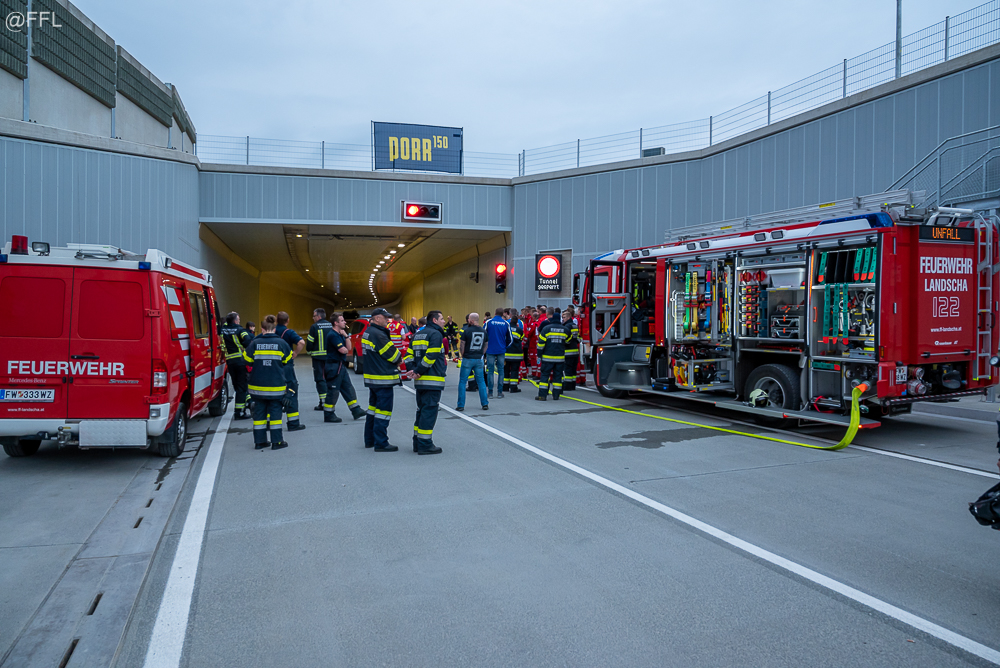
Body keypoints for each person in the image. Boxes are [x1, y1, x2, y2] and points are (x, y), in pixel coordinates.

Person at [243, 314, 293, 450]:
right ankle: (277, 442)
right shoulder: (282, 344)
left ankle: (260, 442)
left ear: (262, 329)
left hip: (257, 387)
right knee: (275, 414)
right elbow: (288, 364)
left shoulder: (254, 343)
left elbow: (247, 361)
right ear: (275, 329)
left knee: (259, 414)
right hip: (276, 386)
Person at [403, 310, 447, 455]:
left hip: (420, 382)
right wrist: (418, 371)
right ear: (434, 320)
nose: (443, 321)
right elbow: (431, 356)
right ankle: (425, 444)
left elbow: (408, 355)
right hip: (432, 380)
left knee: (421, 411)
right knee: (429, 412)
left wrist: (412, 369)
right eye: (441, 319)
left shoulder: (418, 334)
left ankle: (417, 442)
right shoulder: (436, 334)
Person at [361, 308, 404, 451]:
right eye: (385, 317)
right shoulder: (378, 334)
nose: (387, 320)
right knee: (383, 412)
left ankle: (370, 440)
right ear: (377, 318)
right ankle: (381, 442)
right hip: (383, 378)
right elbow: (394, 355)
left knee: (373, 410)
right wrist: (399, 359)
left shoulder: (368, 332)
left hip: (373, 378)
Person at [323, 312, 366, 423]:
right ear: (336, 323)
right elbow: (343, 350)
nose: (345, 322)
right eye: (342, 321)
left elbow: (349, 347)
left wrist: (346, 336)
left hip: (340, 365)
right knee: (333, 391)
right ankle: (328, 414)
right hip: (334, 366)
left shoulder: (340, 334)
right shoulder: (332, 335)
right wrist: (345, 349)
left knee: (348, 388)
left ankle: (356, 410)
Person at [275, 311, 307, 431]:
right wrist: (295, 353)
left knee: (273, 393)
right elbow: (301, 342)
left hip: (273, 367)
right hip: (286, 367)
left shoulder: (272, 331)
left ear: (276, 320)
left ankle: (268, 423)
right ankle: (293, 423)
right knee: (291, 391)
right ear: (287, 321)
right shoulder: (288, 332)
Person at [221, 311, 252, 419]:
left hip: (230, 362)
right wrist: (244, 348)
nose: (239, 321)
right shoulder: (239, 330)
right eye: (238, 319)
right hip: (240, 361)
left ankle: (248, 402)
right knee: (242, 387)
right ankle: (239, 412)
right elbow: (248, 340)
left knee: (237, 387)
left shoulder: (222, 330)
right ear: (235, 321)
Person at [536, 307, 572, 401]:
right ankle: (556, 395)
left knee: (545, 376)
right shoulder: (565, 329)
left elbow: (540, 344)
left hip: (547, 358)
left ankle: (542, 395)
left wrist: (539, 355)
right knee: (558, 377)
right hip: (560, 358)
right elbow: (568, 341)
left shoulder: (546, 329)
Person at [457, 313, 488, 412]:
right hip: (479, 359)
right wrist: (481, 353)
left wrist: (463, 354)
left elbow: (462, 344)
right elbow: (486, 344)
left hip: (468, 358)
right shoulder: (483, 331)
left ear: (471, 320)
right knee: (481, 381)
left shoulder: (467, 331)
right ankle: (485, 403)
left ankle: (461, 405)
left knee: (462, 382)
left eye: (469, 319)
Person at [306, 308, 334, 411]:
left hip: (318, 358)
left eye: (314, 316)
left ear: (318, 316)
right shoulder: (331, 326)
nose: (313, 318)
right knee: (330, 379)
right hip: (330, 358)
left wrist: (309, 352)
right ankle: (330, 402)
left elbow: (310, 342)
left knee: (320, 379)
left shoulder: (314, 327)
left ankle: (323, 402)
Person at [484, 306, 513, 398]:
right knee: (501, 370)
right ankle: (500, 392)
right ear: (503, 314)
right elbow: (510, 339)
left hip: (490, 350)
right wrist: (505, 346)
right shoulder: (506, 323)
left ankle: (490, 392)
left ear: (495, 313)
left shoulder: (488, 322)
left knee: (490, 371)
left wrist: (485, 347)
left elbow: (483, 335)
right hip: (501, 350)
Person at [503, 309, 524, 393]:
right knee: (514, 371)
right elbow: (521, 340)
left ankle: (505, 387)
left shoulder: (506, 329)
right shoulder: (519, 330)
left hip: (506, 353)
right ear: (517, 323)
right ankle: (513, 387)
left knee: (506, 370)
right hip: (516, 354)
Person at [561, 307, 581, 391]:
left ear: (569, 317)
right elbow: (578, 338)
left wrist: (564, 343)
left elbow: (566, 338)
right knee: (573, 370)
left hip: (568, 351)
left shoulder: (567, 326)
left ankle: (568, 386)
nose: (563, 319)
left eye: (564, 317)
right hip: (575, 351)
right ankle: (573, 385)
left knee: (568, 369)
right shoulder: (574, 325)